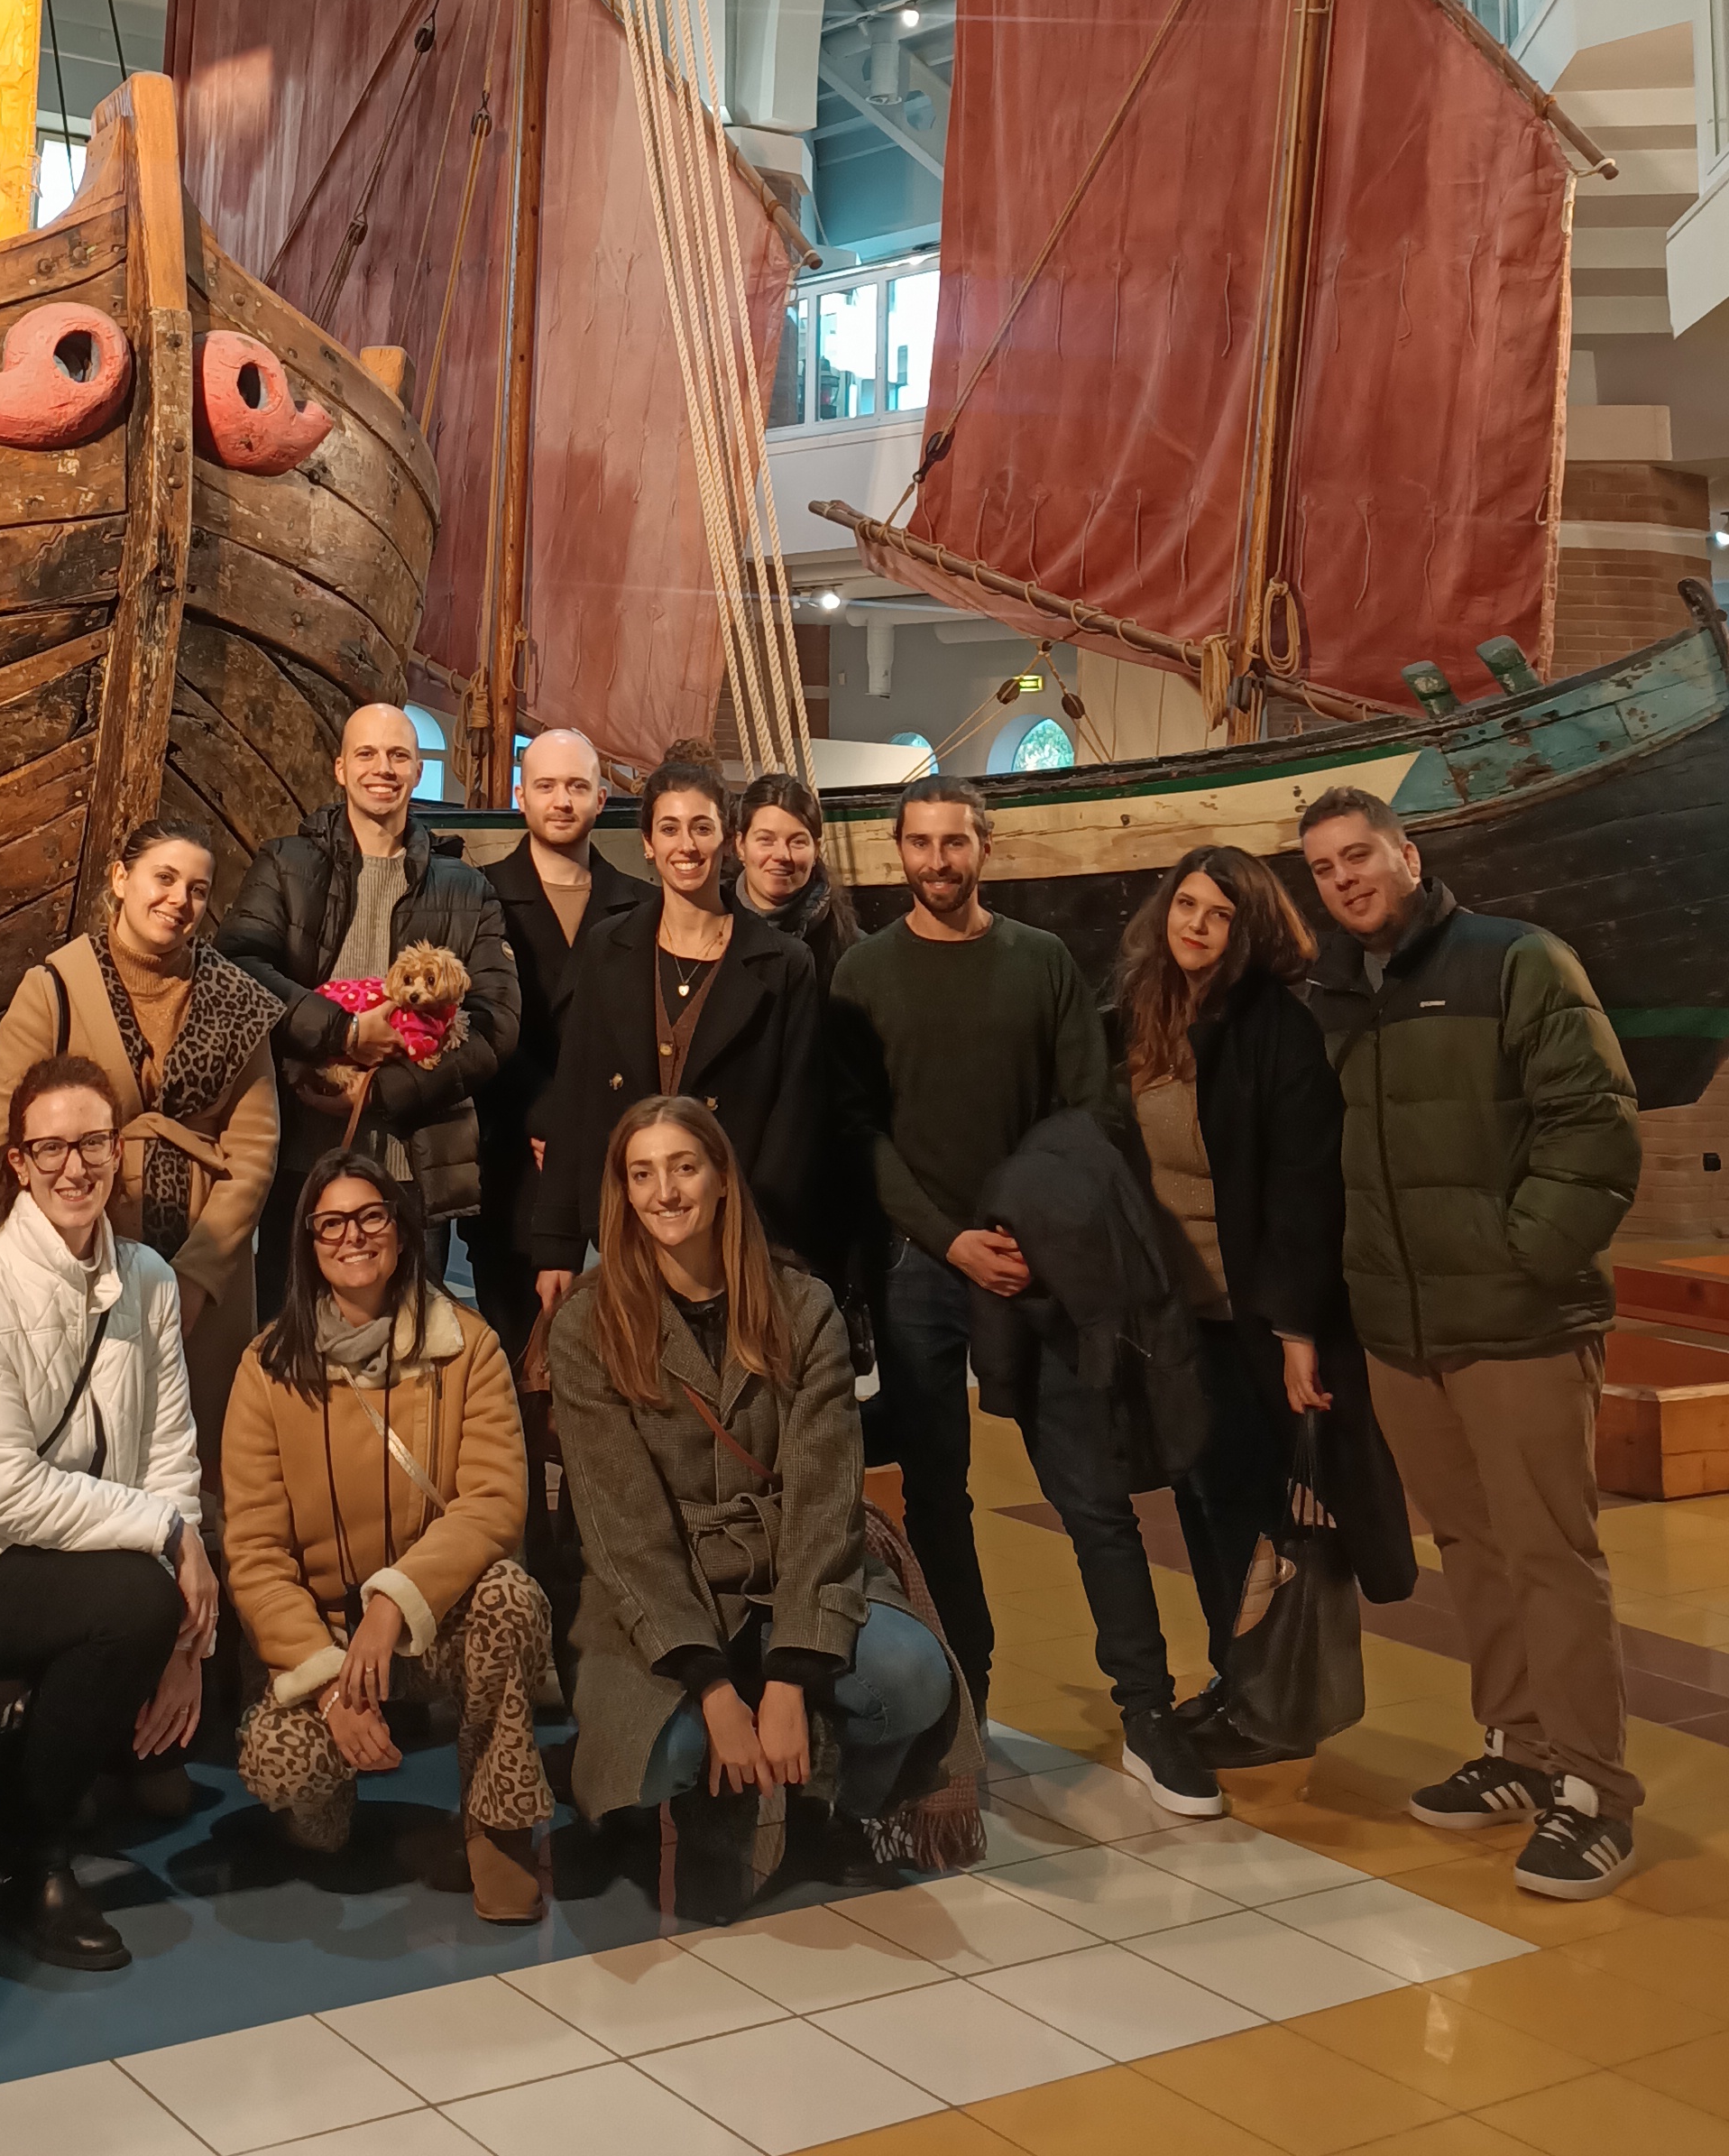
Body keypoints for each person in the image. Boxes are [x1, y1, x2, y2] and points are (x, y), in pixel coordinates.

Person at [832, 778, 1219, 1813]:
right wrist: (949, 1237)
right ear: (897, 851)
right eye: (921, 842)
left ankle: (1148, 1711)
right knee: (938, 1499)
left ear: (984, 848)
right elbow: (860, 1131)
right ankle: (967, 1706)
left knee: (1091, 1493)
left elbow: (1087, 1108)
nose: (940, 859)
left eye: (956, 841)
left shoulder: (1041, 962)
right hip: (927, 1266)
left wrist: (1024, 1232)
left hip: (1037, 1258)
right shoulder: (863, 973)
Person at [1300, 788, 1643, 1897]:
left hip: (1518, 1321)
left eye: (1361, 856)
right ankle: (1520, 1746)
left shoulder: (1517, 961)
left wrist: (1524, 1255)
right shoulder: (1334, 995)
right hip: (1402, 1329)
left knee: (1549, 1550)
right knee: (1472, 1544)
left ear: (1408, 855)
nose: (1346, 877)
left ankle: (1594, 1789)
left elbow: (1593, 1122)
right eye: (1323, 867)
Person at [543, 1098, 962, 1913]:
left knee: (910, 1678)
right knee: (668, 1746)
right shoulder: (588, 1324)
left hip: (789, 1572)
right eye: (643, 1174)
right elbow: (626, 1533)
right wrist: (710, 1685)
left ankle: (823, 1805)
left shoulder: (802, 1307)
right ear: (622, 1194)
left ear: (724, 1180)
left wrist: (790, 1678)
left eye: (684, 1167)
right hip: (661, 1590)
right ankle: (660, 1803)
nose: (665, 1191)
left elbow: (823, 1501)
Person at [1112, 844, 1412, 1757]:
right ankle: (1234, 1678)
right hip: (1172, 1314)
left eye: (1218, 914)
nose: (1195, 925)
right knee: (1204, 1504)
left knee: (1256, 1516)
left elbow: (1302, 1183)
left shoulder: (1275, 1024)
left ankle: (1276, 1706)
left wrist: (1294, 1328)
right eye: (1186, 905)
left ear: (1251, 930)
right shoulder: (1143, 1014)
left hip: (1248, 1316)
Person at [0, 1055, 213, 1969]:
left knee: (163, 1609)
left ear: (119, 1151)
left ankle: (39, 1783)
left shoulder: (151, 1279)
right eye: (50, 1147)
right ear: (18, 1160)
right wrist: (168, 1541)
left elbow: (171, 1451)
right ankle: (27, 1858)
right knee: (133, 1598)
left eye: (93, 1143)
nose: (74, 1166)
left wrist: (186, 1631)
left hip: (106, 1565)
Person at [223, 1148, 552, 1920]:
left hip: (425, 1622)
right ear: (306, 1245)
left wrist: (392, 1605)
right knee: (282, 1762)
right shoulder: (265, 1370)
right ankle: (323, 1807)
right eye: (330, 1223)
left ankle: (497, 1824)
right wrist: (332, 1683)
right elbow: (258, 1554)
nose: (353, 1237)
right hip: (325, 1639)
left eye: (371, 1217)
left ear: (403, 1233)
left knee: (510, 1595)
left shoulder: (468, 1348)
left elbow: (495, 1502)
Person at [0, 817, 279, 1467]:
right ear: (121, 878)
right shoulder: (54, 988)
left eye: (197, 889)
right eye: (164, 878)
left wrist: (198, 1277)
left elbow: (255, 1149)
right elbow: (3, 1131)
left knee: (196, 1453)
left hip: (205, 1258)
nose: (179, 901)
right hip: (77, 1256)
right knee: (80, 1438)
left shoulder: (236, 1000)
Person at [215, 700, 516, 1300]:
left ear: (416, 769)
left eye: (399, 755)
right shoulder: (286, 864)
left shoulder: (465, 886)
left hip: (415, 1165)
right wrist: (343, 1036)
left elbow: (495, 1025)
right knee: (294, 1336)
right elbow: (239, 968)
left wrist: (383, 1091)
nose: (384, 767)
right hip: (301, 1155)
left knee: (409, 1350)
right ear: (340, 768)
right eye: (367, 754)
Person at [531, 754, 818, 1297]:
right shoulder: (606, 948)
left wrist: (767, 1244)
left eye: (701, 827)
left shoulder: (783, 963)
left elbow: (795, 1118)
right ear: (647, 842)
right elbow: (575, 1095)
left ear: (728, 840)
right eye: (669, 828)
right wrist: (556, 1246)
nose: (686, 845)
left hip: (734, 1238)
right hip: (623, 1227)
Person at [472, 727, 643, 1359]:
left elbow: (636, 1039)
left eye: (577, 786)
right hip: (515, 1161)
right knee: (515, 1368)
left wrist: (583, 1129)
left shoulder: (641, 905)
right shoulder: (475, 896)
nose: (562, 800)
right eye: (546, 786)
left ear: (602, 798)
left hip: (617, 1163)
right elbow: (478, 1024)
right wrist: (547, 1118)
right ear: (521, 796)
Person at [730, 772, 858, 967]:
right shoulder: (708, 930)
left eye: (797, 842)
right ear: (740, 846)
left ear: (816, 850)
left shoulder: (850, 951)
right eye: (766, 840)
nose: (782, 855)